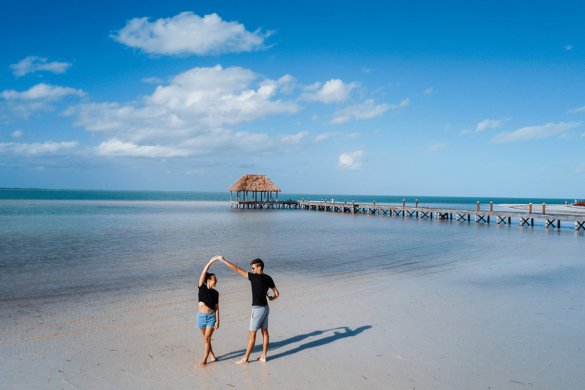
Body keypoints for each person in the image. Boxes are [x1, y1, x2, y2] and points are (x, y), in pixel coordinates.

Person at [219, 256, 279, 364]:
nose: (252, 270)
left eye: (253, 268)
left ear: (259, 267)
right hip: (266, 308)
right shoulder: (269, 278)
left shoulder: (254, 277)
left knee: (252, 335)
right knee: (265, 332)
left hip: (257, 310)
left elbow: (237, 269)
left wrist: (224, 260)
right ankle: (263, 356)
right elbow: (277, 294)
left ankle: (245, 358)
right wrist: (270, 298)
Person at [196, 256, 221, 366]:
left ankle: (205, 359)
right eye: (214, 279)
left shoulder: (216, 293)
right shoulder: (202, 287)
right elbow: (203, 272)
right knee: (206, 339)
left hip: (211, 317)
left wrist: (218, 320)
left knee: (207, 338)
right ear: (208, 281)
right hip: (201, 317)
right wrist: (211, 261)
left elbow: (217, 308)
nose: (216, 281)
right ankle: (212, 355)